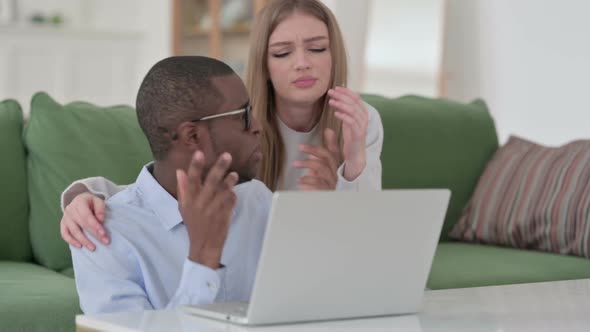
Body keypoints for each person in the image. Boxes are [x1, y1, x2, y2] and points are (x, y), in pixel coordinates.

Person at [60, 0, 384, 250]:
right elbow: (172, 187)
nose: (303, 63)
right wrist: (85, 194)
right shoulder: (238, 123)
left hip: (322, 256)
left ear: (334, 54)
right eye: (283, 53)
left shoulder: (358, 120)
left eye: (317, 48)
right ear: (264, 65)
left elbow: (367, 236)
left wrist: (355, 163)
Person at [72, 56, 271, 314]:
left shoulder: (258, 199)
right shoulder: (103, 234)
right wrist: (202, 258)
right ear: (192, 136)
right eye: (244, 115)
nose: (257, 127)